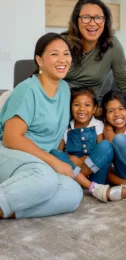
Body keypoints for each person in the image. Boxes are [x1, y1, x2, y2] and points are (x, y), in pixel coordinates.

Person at [0, 33, 83, 219]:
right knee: (45, 178)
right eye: (54, 54)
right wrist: (54, 162)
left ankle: (11, 209)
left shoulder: (64, 89)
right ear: (39, 60)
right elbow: (11, 138)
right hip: (9, 154)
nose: (62, 59)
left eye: (66, 54)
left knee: (72, 192)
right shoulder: (27, 89)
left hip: (38, 162)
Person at [62, 0, 126, 115]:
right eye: (86, 17)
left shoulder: (112, 45)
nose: (92, 23)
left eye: (98, 18)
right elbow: (43, 76)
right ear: (76, 20)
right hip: (58, 106)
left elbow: (124, 83)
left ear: (105, 21)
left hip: (91, 110)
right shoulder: (62, 43)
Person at [50, 87, 117, 202]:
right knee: (54, 153)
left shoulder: (98, 125)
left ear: (95, 109)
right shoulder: (66, 128)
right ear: (70, 107)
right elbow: (60, 152)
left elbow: (100, 151)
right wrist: (70, 160)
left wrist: (82, 163)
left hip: (95, 176)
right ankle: (90, 187)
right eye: (76, 105)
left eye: (87, 105)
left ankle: (81, 180)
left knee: (106, 145)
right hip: (73, 172)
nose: (82, 109)